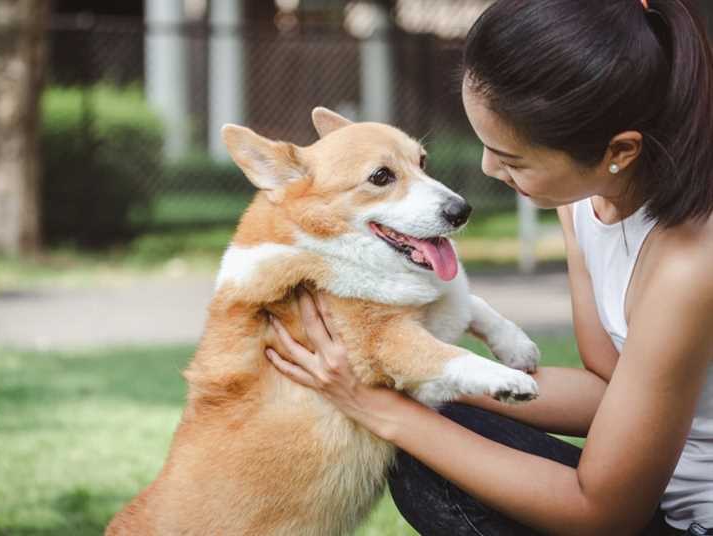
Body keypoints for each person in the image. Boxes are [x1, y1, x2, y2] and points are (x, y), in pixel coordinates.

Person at [264, 0, 713, 534]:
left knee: (419, 443)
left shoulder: (690, 265)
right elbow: (606, 387)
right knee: (429, 436)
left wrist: (376, 407)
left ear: (619, 151)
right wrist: (405, 374)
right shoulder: (585, 206)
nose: (487, 168)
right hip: (656, 498)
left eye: (513, 158)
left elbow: (604, 514)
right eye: (485, 143)